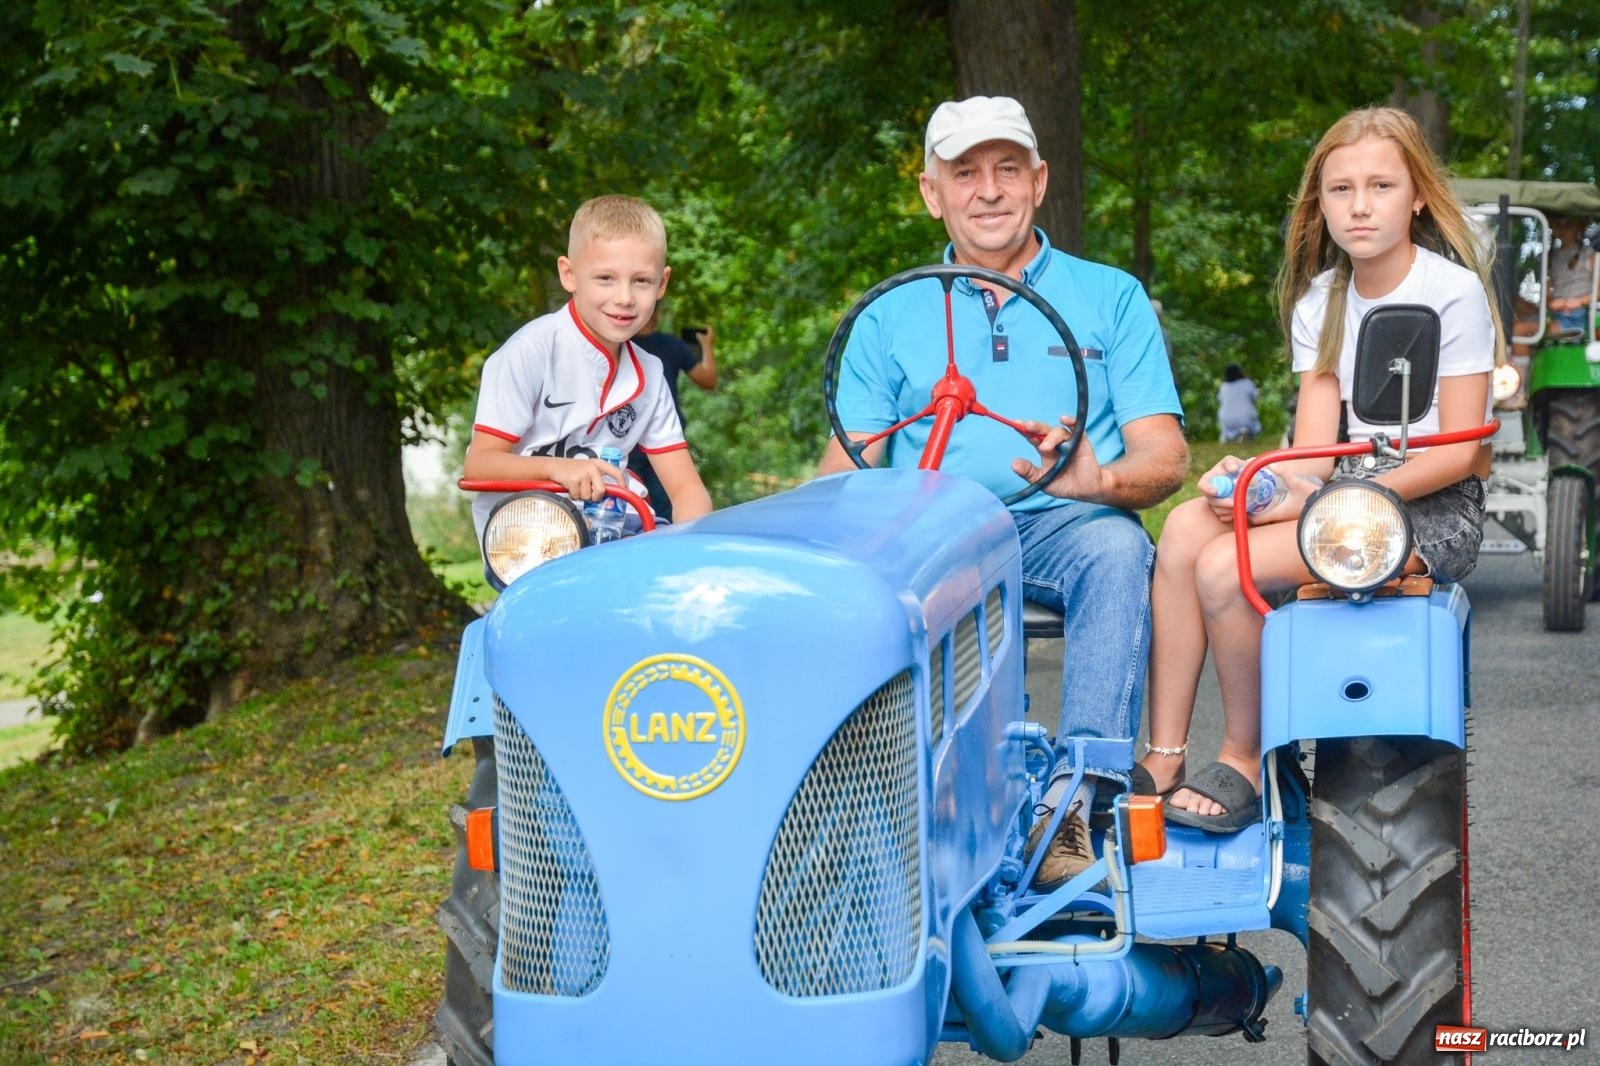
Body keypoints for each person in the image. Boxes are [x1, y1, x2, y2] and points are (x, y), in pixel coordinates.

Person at [817, 96, 1188, 885]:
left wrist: (1105, 480)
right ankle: (914, 818)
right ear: (932, 193)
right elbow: (847, 467)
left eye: (1007, 169)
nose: (988, 190)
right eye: (966, 173)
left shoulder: (1111, 295)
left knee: (1117, 545)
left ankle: (1073, 804)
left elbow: (1165, 455)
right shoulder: (889, 314)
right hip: (937, 534)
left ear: (1039, 181)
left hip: (1064, 524)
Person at [1137, 106, 1502, 830]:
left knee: (1222, 568)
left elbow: (1460, 451)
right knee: (1184, 529)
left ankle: (1249, 754)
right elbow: (1313, 454)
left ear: (1417, 196)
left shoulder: (1449, 293)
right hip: (1347, 492)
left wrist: (1340, 497)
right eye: (1340, 190)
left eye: (1380, 186)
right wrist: (1266, 485)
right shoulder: (1322, 300)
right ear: (1320, 203)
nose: (1359, 206)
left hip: (1432, 502)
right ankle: (1164, 753)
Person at [463, 194, 713, 547]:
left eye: (641, 281)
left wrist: (691, 549)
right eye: (606, 278)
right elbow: (479, 464)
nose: (624, 297)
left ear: (662, 283)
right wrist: (558, 469)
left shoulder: (651, 373)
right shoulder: (530, 352)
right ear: (569, 274)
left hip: (614, 529)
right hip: (528, 538)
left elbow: (686, 488)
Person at [629, 308, 717, 520]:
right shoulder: (622, 345)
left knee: (664, 510)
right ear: (657, 313)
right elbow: (708, 378)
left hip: (662, 439)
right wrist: (706, 346)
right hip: (624, 439)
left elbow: (708, 381)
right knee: (630, 510)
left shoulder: (669, 345)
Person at [1545, 214, 1596, 336]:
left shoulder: (1588, 254)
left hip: (1581, 315)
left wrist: (1579, 301)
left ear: (1579, 227)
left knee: (1525, 328)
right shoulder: (1551, 257)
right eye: (1558, 225)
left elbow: (1598, 292)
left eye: (1569, 225)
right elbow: (1546, 293)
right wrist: (1551, 303)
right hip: (1557, 314)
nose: (1563, 229)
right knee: (1521, 319)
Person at [1217, 363, 1260, 442]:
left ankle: (1228, 437)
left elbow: (1220, 400)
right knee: (1251, 415)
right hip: (1245, 419)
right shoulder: (1247, 383)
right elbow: (1254, 398)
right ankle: (1245, 432)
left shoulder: (1223, 386)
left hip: (1226, 420)